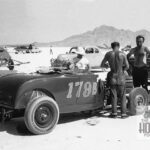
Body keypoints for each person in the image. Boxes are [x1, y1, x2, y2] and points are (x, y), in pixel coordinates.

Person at [101, 42, 129, 118]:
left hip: (112, 77)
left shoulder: (108, 54)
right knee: (123, 96)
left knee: (114, 96)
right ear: (119, 46)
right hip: (121, 78)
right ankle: (123, 114)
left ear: (111, 47)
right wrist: (122, 69)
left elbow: (102, 64)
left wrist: (107, 65)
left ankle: (114, 113)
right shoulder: (123, 54)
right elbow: (127, 66)